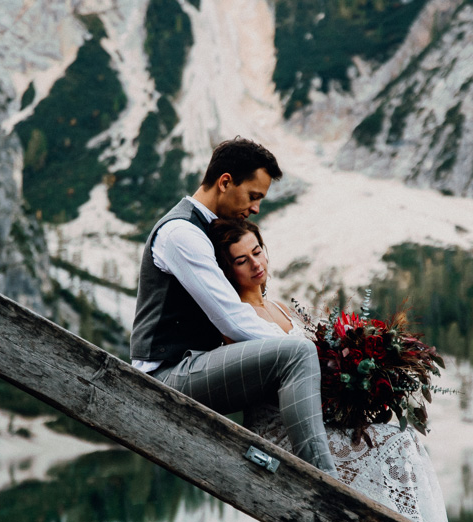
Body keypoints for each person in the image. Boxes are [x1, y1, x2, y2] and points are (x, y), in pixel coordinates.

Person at [208, 217, 449, 522]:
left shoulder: (281, 308)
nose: (255, 263)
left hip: (316, 416)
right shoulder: (235, 319)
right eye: (242, 260)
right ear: (228, 270)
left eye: (257, 251)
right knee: (395, 443)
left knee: (405, 438)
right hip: (280, 428)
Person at [130, 138, 337, 476]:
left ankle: (316, 464)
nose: (256, 208)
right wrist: (306, 349)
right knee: (297, 355)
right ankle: (323, 480)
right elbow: (232, 320)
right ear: (225, 182)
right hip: (164, 376)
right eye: (254, 196)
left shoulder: (207, 229)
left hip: (192, 366)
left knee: (293, 359)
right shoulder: (181, 232)